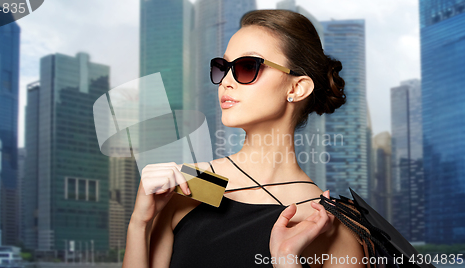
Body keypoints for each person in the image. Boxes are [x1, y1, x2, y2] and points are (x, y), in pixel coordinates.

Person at [123, 9, 366, 268]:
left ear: (296, 88)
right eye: (222, 67)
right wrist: (139, 224)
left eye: (248, 66)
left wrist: (286, 261)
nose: (225, 81)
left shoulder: (329, 225)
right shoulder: (189, 185)